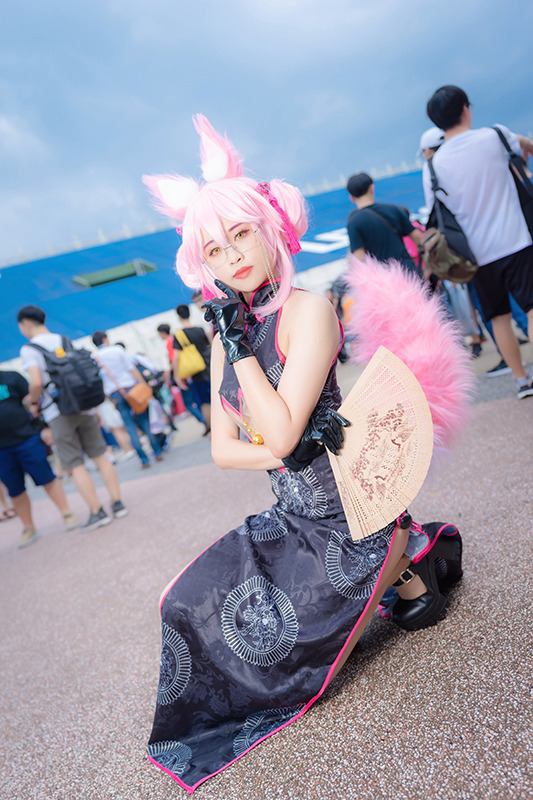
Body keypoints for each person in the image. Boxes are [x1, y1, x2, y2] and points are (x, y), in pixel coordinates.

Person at [141, 115, 463, 792]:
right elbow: (224, 451)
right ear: (201, 263)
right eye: (214, 248)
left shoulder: (307, 311)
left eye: (239, 234)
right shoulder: (236, 327)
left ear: (268, 228)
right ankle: (408, 557)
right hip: (287, 520)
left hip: (351, 517)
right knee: (181, 607)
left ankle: (403, 557)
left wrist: (255, 390)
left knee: (347, 635)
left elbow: (281, 434)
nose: (232, 256)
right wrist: (278, 446)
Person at [424, 85, 533, 398]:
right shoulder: (495, 136)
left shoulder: (434, 165)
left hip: (475, 256)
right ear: (465, 109)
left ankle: (521, 380)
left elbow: (436, 212)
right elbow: (524, 145)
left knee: (498, 317)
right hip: (517, 241)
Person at [17, 306, 127, 530]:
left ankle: (97, 512)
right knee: (100, 455)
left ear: (26, 323)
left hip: (58, 412)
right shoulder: (64, 339)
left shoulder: (30, 349)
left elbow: (36, 382)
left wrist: (32, 400)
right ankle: (117, 503)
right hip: (84, 406)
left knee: (75, 464)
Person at [0, 368, 79, 547]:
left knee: (47, 478)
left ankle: (66, 513)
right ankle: (28, 527)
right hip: (2, 450)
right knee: (15, 490)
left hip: (26, 439)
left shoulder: (11, 377)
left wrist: (44, 427)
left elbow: (36, 401)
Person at [92, 331, 164, 469]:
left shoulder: (95, 357)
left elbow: (99, 380)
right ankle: (157, 451)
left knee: (130, 427)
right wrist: (144, 385)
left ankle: (144, 460)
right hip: (132, 389)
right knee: (144, 421)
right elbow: (132, 369)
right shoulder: (117, 350)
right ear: (105, 339)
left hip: (115, 395)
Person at [346, 172, 424, 275]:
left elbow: (359, 260)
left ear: (351, 198)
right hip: (407, 272)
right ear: (371, 189)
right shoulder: (393, 210)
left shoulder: (353, 222)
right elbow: (419, 240)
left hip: (382, 280)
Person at [172, 304, 212, 430]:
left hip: (196, 374)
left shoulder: (179, 334)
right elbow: (209, 346)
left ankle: (212, 428)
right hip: (210, 368)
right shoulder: (200, 330)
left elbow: (176, 357)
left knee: (204, 403)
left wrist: (177, 376)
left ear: (179, 317)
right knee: (216, 399)